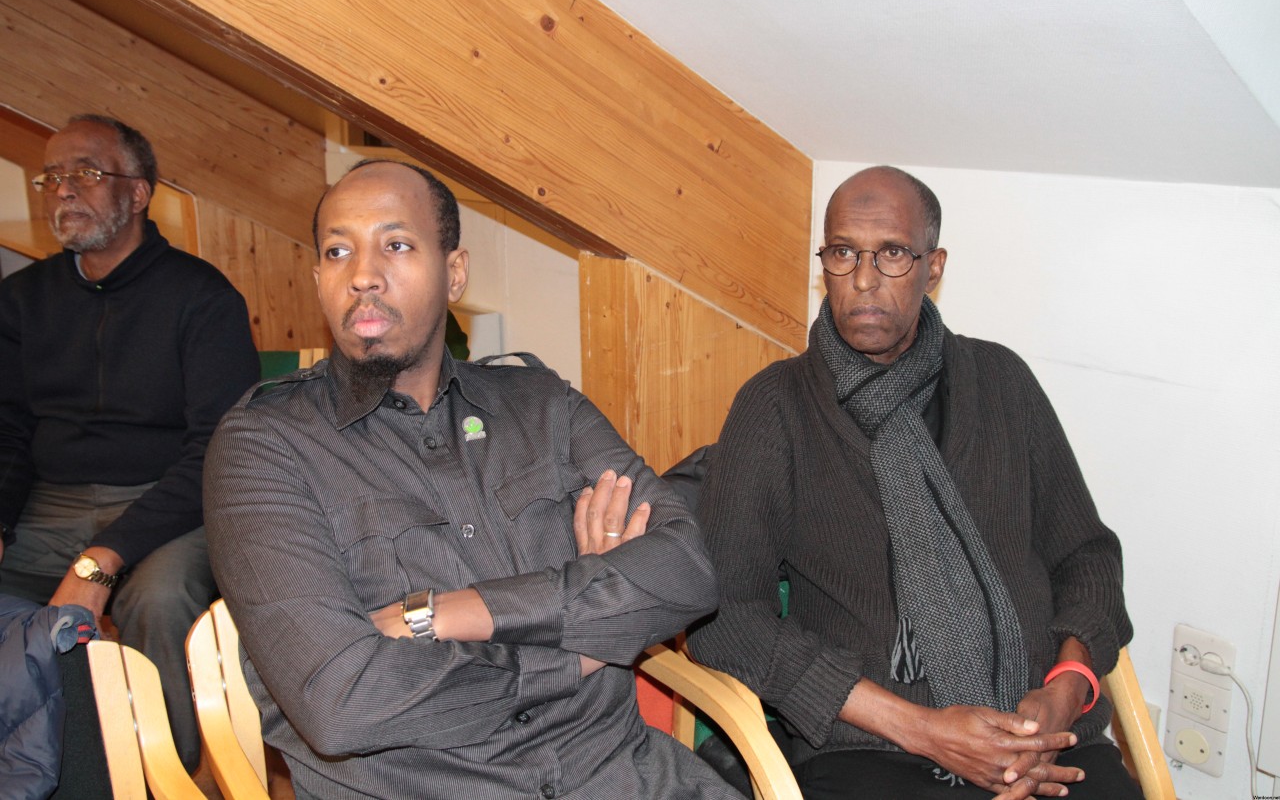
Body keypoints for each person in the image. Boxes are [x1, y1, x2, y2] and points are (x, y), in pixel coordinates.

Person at [203, 159, 738, 799]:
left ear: (454, 273)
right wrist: (582, 645)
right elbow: (342, 700)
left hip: (623, 775)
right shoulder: (263, 446)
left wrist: (442, 614)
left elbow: (686, 568)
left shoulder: (544, 405)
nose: (363, 275)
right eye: (338, 252)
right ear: (319, 279)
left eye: (396, 245)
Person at [686, 166, 1139, 800]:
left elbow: (1087, 556)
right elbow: (727, 618)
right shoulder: (776, 406)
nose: (863, 279)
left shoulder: (1003, 383)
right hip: (871, 749)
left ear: (934, 266)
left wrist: (1066, 690)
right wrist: (925, 730)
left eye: (893, 253)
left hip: (1044, 738)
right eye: (843, 252)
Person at [0, 114, 260, 770]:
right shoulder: (21, 299)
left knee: (159, 598)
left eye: (86, 172)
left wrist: (103, 556)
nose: (63, 189)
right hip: (49, 502)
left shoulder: (202, 297)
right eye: (51, 177)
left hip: (170, 503)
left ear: (139, 192)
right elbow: (8, 431)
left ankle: (164, 774)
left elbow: (218, 450)